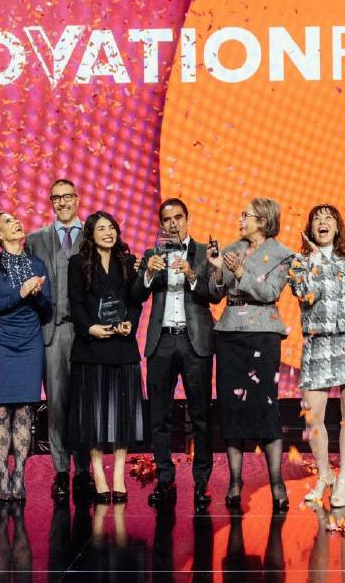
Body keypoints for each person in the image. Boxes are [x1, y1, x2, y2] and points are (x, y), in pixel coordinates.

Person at [208, 197, 296, 512]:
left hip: (263, 332)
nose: (240, 219)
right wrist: (219, 272)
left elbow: (270, 292)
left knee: (264, 405)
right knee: (232, 406)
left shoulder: (281, 254)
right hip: (230, 333)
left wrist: (242, 271)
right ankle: (235, 480)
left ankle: (276, 481)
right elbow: (216, 293)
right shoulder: (231, 248)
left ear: (263, 220)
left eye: (246, 215)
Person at [289, 204, 345, 509]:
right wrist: (313, 260)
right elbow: (306, 295)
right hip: (319, 344)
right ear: (310, 228)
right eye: (317, 219)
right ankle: (323, 475)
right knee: (313, 416)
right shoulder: (299, 261)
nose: (323, 223)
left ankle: (344, 480)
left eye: (329, 219)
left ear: (337, 227)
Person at [132, 198, 215, 509]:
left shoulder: (204, 253)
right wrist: (148, 276)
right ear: (161, 224)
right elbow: (136, 294)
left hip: (195, 343)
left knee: (200, 416)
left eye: (178, 218)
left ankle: (202, 483)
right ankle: (165, 479)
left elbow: (215, 294)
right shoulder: (151, 255)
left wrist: (193, 275)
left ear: (187, 219)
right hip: (162, 342)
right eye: (166, 220)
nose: (173, 224)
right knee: (159, 416)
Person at [66, 211, 145, 502]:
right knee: (93, 416)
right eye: (101, 228)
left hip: (122, 345)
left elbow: (136, 301)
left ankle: (119, 475)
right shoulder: (78, 263)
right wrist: (90, 328)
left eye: (111, 227)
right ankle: (98, 473)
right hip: (90, 347)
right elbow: (75, 303)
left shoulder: (127, 262)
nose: (108, 232)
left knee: (122, 414)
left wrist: (130, 324)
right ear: (90, 234)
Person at [0, 211, 52, 502]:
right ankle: (1, 473)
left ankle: (19, 474)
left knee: (25, 410)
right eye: (7, 222)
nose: (16, 223)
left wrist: (36, 295)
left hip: (30, 341)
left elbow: (47, 311)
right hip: (0, 343)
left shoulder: (36, 263)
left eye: (16, 220)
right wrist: (21, 293)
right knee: (0, 410)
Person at [26, 178, 90, 502]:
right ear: (51, 202)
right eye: (56, 198)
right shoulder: (35, 240)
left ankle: (85, 472)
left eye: (68, 197)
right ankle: (61, 472)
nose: (63, 202)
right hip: (52, 331)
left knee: (85, 404)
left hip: (86, 335)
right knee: (58, 406)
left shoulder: (95, 235)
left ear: (78, 199)